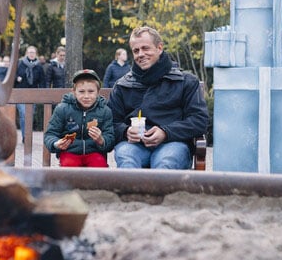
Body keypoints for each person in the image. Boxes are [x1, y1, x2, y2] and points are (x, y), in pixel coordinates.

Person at [108, 26, 209, 169]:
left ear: (159, 48)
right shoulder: (123, 85)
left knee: (165, 161)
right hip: (134, 145)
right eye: (136, 51)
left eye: (145, 48)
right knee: (126, 157)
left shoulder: (186, 81)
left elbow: (199, 120)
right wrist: (125, 131)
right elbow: (110, 123)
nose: (140, 54)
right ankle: (130, 192)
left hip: (173, 143)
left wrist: (166, 132)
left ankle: (159, 192)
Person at [44, 69, 114, 167]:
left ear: (98, 92)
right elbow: (50, 134)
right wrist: (56, 143)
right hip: (70, 152)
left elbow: (110, 137)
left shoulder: (105, 111)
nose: (86, 96)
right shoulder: (63, 109)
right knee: (69, 166)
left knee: (99, 167)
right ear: (74, 92)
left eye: (91, 92)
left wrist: (101, 140)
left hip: (95, 153)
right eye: (81, 91)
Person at [15, 46, 46, 142]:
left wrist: (42, 93)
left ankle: (27, 135)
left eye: (33, 52)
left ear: (36, 54)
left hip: (33, 94)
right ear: (26, 53)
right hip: (21, 94)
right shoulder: (20, 63)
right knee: (23, 114)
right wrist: (17, 78)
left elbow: (42, 81)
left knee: (30, 115)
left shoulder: (39, 66)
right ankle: (25, 136)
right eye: (30, 52)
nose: (31, 54)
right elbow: (12, 74)